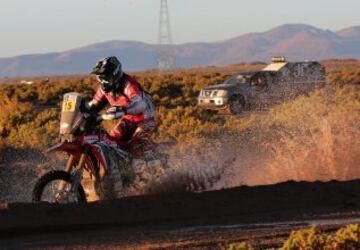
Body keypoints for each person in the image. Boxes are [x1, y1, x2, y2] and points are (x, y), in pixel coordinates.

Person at [88, 56, 157, 157]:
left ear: (115, 74)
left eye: (106, 76)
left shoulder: (128, 85)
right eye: (101, 77)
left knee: (136, 146)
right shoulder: (104, 89)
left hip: (145, 118)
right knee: (111, 143)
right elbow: (94, 103)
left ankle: (147, 162)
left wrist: (123, 109)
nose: (103, 80)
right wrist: (81, 110)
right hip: (128, 119)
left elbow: (141, 104)